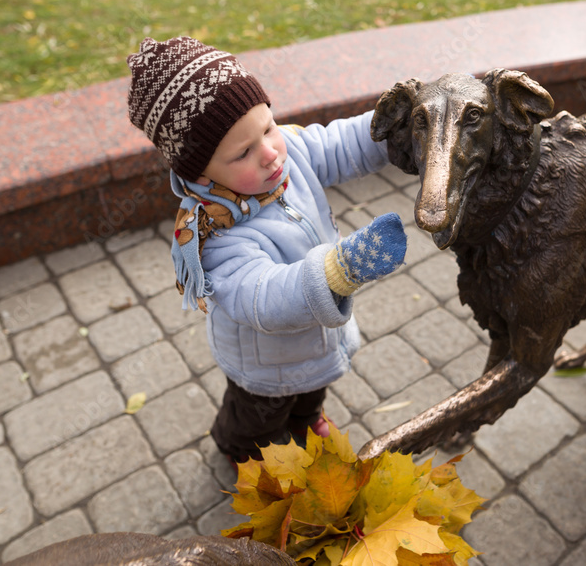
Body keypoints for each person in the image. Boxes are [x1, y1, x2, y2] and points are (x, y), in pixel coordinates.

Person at [126, 36, 407, 466]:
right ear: (200, 171)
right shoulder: (214, 236)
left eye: (268, 127)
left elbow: (340, 144)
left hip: (315, 339)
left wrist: (397, 129)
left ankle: (305, 419)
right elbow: (263, 298)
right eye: (244, 151)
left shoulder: (285, 155)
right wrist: (337, 272)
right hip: (263, 366)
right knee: (257, 418)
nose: (271, 152)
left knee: (312, 388)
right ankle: (238, 449)